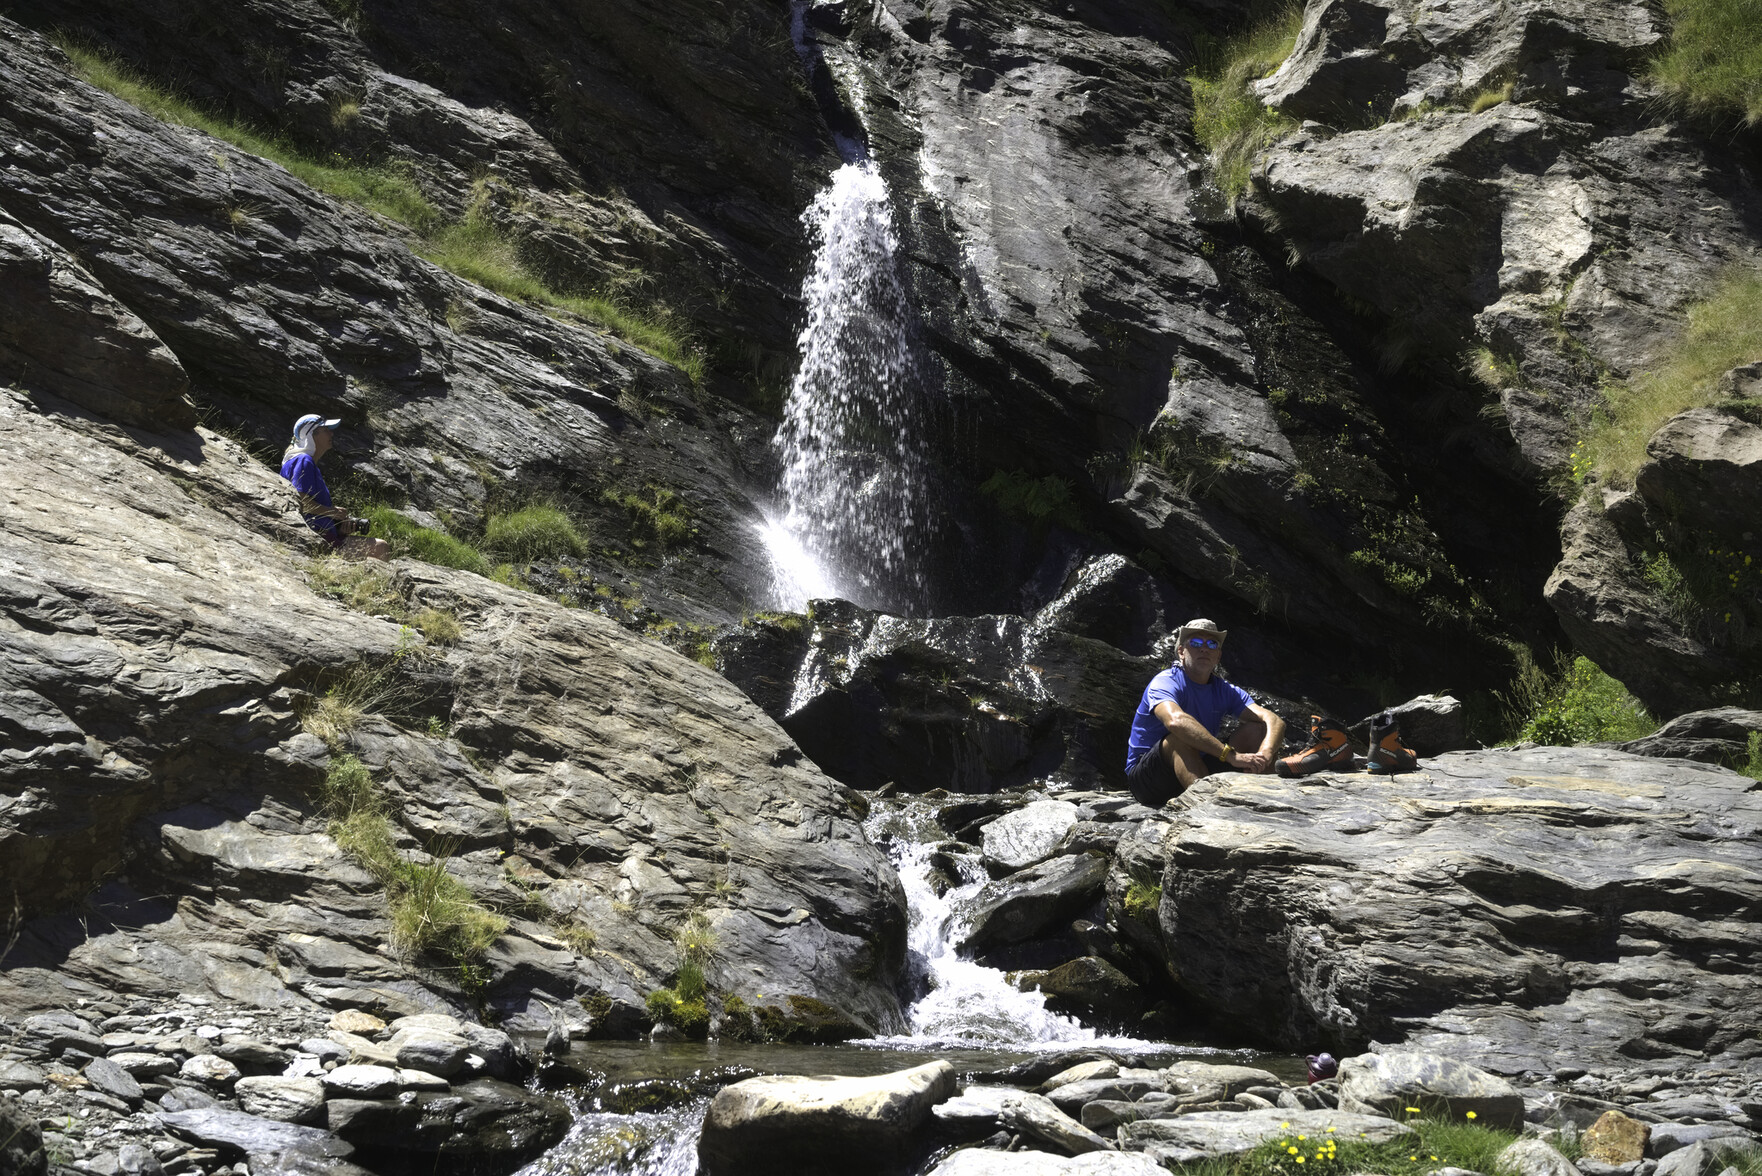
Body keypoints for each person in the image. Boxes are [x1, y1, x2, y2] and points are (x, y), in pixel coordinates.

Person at [1124, 618, 1286, 805]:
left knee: (1256, 730)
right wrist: (1230, 755)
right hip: (1149, 780)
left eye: (1212, 643)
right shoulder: (1166, 681)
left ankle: (1264, 801)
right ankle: (1210, 807)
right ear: (1181, 651)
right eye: (1196, 642)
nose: (1204, 648)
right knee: (1177, 738)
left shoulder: (1224, 689)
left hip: (1198, 768)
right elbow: (1175, 721)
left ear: (1218, 656)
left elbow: (1273, 720)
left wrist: (1265, 753)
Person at [280, 414, 390, 560]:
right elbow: (300, 502)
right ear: (312, 435)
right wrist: (332, 512)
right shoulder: (303, 461)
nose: (331, 433)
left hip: (321, 535)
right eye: (326, 430)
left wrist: (339, 528)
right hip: (317, 538)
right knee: (380, 547)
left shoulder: (301, 462)